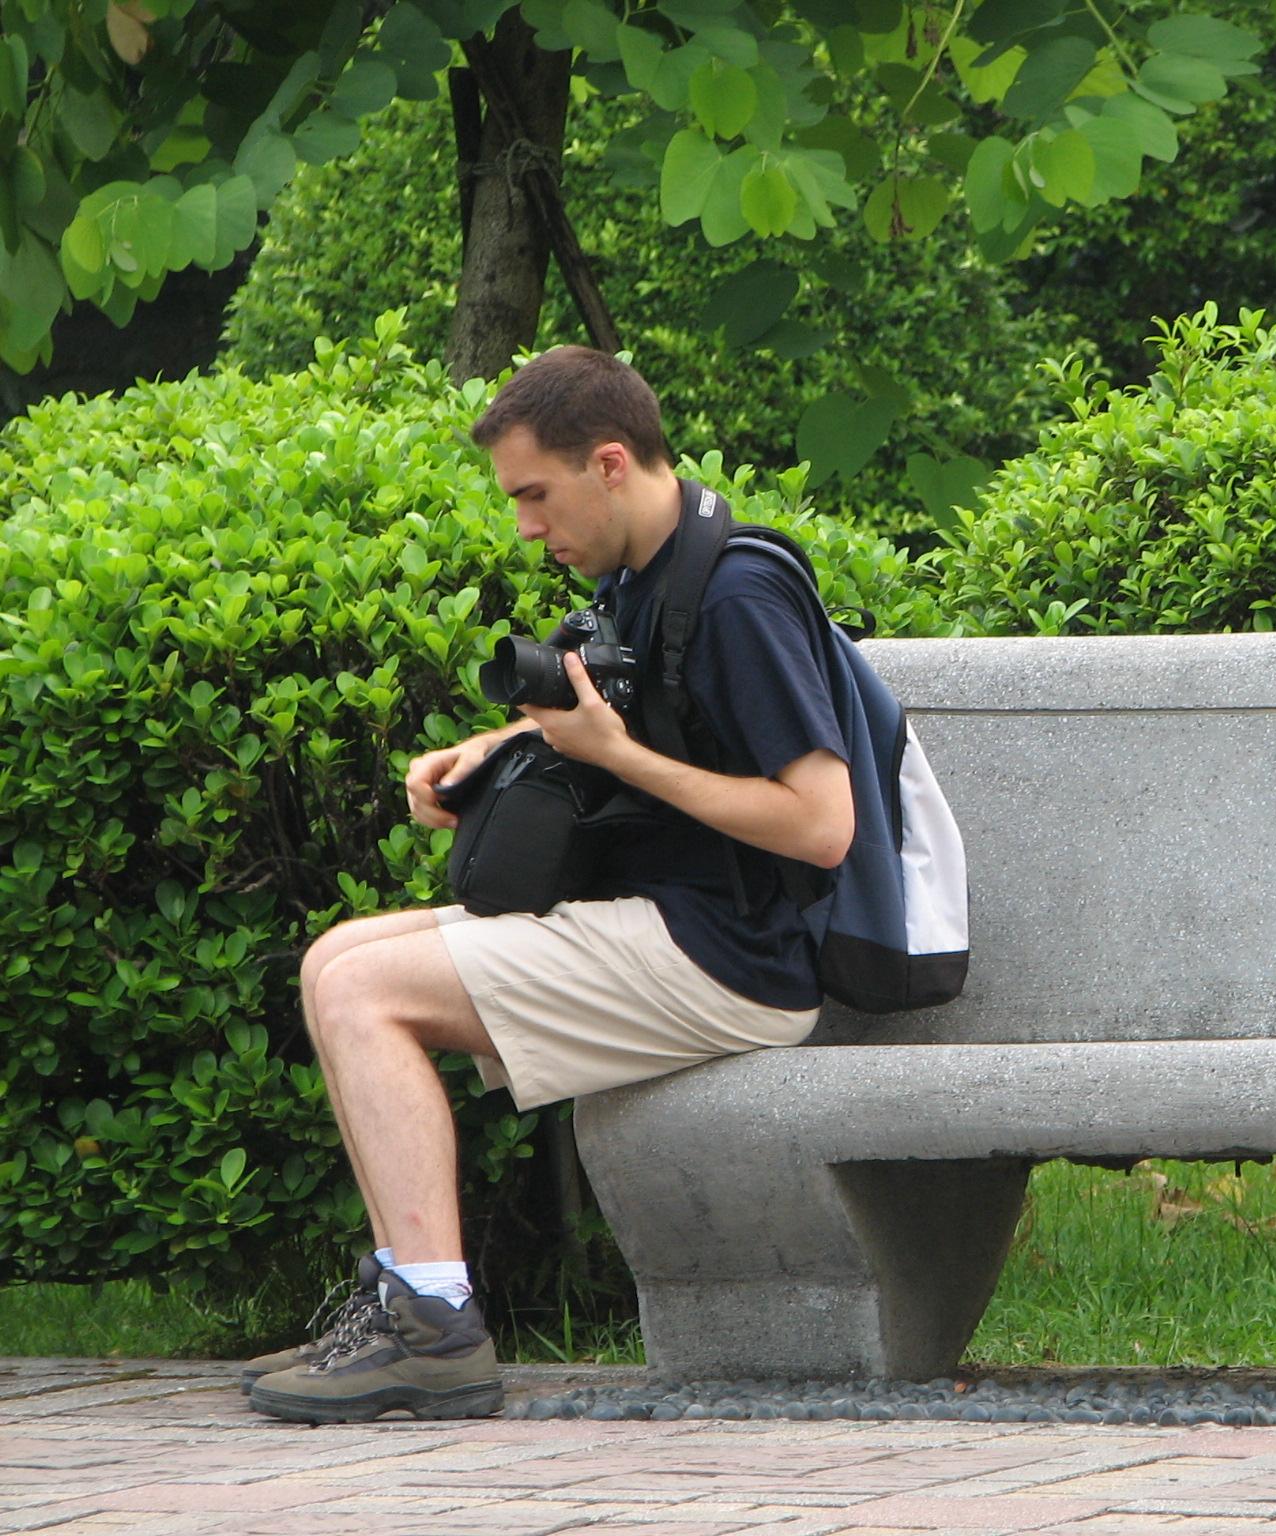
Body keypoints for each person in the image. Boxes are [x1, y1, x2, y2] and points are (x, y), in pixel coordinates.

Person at [243, 346, 854, 1424]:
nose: (526, 524)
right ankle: (405, 1301)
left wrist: (615, 757)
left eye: (535, 493)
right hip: (670, 922)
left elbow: (819, 825)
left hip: (735, 957)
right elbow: (626, 718)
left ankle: (432, 1329)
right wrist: (490, 748)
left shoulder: (740, 593)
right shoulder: (643, 573)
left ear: (609, 463)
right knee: (334, 959)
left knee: (358, 991)